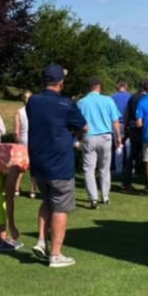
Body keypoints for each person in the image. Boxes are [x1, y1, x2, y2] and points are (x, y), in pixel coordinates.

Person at [27, 64, 87, 268]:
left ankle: (42, 241)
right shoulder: (66, 103)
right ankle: (56, 253)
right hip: (59, 162)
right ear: (61, 82)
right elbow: (83, 126)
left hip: (38, 161)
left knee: (47, 201)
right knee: (60, 206)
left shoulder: (33, 101)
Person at [77, 77, 122, 209]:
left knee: (89, 169)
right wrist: (118, 136)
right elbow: (115, 121)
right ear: (99, 86)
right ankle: (105, 195)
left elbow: (79, 123)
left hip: (89, 136)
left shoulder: (81, 102)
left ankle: (93, 198)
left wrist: (79, 137)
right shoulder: (108, 100)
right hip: (105, 137)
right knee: (104, 168)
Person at [121, 79, 148, 192]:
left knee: (132, 155)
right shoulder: (147, 98)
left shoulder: (132, 98)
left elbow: (127, 114)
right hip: (144, 129)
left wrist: (126, 129)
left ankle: (126, 182)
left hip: (133, 129)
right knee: (147, 155)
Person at [13, 91, 37, 199]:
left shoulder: (19, 112)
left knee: (21, 166)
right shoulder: (37, 111)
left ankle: (16, 189)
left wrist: (17, 141)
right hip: (34, 140)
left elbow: (16, 130)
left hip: (23, 140)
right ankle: (32, 191)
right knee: (33, 167)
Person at [111, 80, 131, 175]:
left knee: (118, 146)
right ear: (126, 87)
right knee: (129, 146)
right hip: (128, 124)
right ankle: (130, 168)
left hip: (116, 124)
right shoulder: (130, 97)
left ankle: (118, 169)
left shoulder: (112, 97)